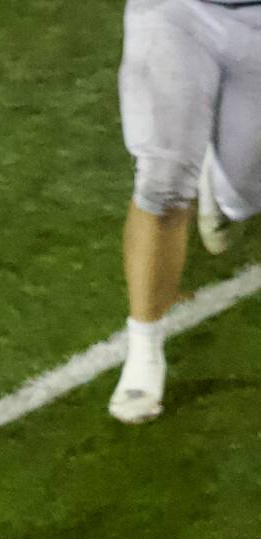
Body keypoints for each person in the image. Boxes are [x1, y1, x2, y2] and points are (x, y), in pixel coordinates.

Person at [108, 0, 261, 423]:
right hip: (176, 10)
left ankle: (217, 179)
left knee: (244, 195)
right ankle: (143, 347)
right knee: (164, 181)